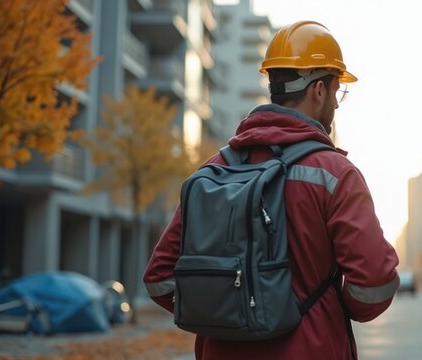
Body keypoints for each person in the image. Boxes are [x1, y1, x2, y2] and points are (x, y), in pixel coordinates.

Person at [143, 20, 399, 360]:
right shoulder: (335, 175)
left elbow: (159, 278)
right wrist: (325, 308)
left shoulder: (214, 169)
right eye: (338, 91)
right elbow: (374, 286)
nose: (337, 104)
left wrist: (224, 308)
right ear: (319, 90)